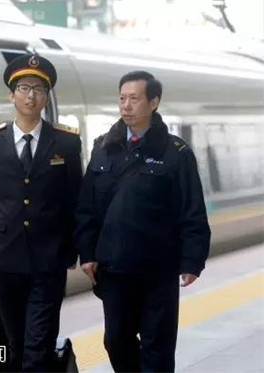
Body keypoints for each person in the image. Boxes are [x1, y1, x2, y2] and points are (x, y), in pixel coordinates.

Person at [75, 70, 211, 372]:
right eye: (122, 99)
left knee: (157, 346)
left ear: (153, 102)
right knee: (115, 339)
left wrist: (192, 260)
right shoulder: (102, 148)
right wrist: (87, 254)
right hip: (113, 269)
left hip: (157, 270)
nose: (126, 105)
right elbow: (86, 207)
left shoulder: (176, 154)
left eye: (134, 99)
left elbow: (192, 210)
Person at [0, 54, 82, 372]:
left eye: (38, 88)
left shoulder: (66, 142)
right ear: (12, 95)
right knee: (16, 345)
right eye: (24, 87)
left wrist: (77, 249)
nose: (31, 95)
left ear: (46, 96)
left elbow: (75, 200)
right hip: (5, 258)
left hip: (50, 258)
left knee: (38, 345)